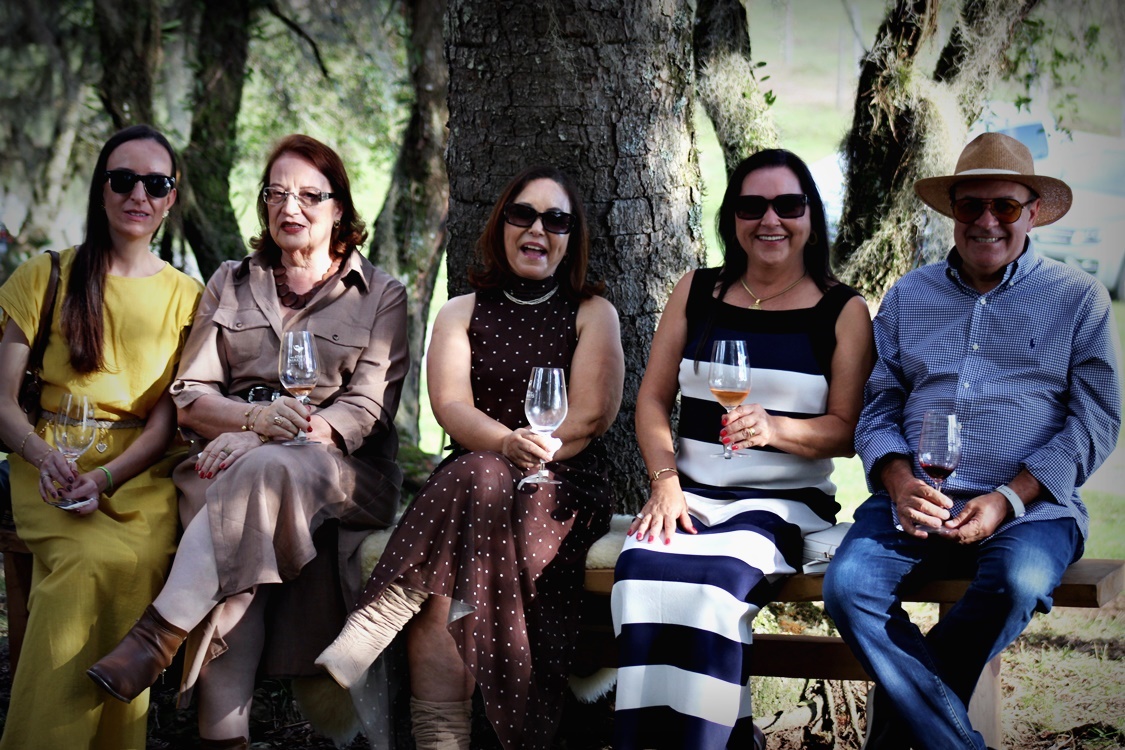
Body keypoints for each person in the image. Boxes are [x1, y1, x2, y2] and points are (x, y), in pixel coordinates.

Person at [86, 134, 409, 749]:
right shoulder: (231, 281)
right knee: (239, 577)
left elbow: (366, 411)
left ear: (339, 207)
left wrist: (267, 439)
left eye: (310, 195)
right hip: (226, 463)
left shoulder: (381, 293)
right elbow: (191, 394)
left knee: (264, 475)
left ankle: (156, 637)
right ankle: (221, 734)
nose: (291, 207)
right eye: (277, 194)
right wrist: (252, 424)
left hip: (342, 473)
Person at [822, 132, 1122, 750]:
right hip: (917, 501)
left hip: (1033, 509)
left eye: (1004, 206)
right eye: (971, 206)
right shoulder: (909, 295)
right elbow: (879, 406)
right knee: (847, 589)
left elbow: (1096, 419)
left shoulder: (1078, 299)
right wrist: (899, 482)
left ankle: (897, 739)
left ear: (1031, 213)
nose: (987, 221)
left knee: (1018, 582)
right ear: (953, 213)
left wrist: (1009, 498)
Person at [315, 165, 624, 749]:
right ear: (501, 225)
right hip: (475, 476)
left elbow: (591, 416)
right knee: (480, 475)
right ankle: (441, 738)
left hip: (563, 480)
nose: (537, 229)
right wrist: (505, 444)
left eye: (556, 220)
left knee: (468, 506)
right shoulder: (461, 311)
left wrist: (530, 450)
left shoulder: (591, 311)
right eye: (522, 214)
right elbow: (451, 405)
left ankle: (379, 620)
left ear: (572, 236)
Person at [610, 149, 875, 749]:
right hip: (688, 494)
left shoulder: (843, 310)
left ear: (811, 218)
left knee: (712, 588)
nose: (770, 220)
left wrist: (776, 429)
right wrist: (665, 481)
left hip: (783, 503)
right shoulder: (696, 291)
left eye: (788, 205)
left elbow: (848, 431)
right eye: (752, 206)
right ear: (732, 218)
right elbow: (651, 400)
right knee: (640, 577)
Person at [0, 124, 203, 749]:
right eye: (123, 180)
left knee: (133, 563)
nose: (139, 194)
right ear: (101, 189)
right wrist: (43, 456)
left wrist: (110, 476)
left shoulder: (188, 297)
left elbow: (167, 419)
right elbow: (1, 402)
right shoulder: (46, 275)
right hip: (50, 463)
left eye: (156, 184)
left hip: (139, 473)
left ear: (171, 199)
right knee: (85, 563)